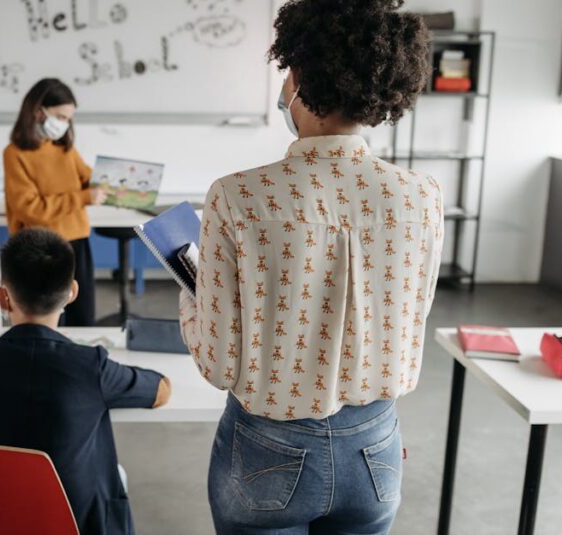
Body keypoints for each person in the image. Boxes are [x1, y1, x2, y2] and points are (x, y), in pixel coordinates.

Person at [178, 1, 441, 533]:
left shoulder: (237, 197)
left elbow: (218, 363)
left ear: (296, 77)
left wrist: (193, 295)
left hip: (268, 446)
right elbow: (411, 319)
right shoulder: (420, 196)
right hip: (375, 446)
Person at [0, 228, 171, 535]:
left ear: (3, 296)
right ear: (72, 292)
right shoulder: (90, 365)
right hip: (76, 523)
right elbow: (161, 391)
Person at [4, 78, 107, 326]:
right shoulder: (15, 154)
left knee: (83, 316)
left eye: (68, 119)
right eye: (60, 117)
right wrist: (84, 197)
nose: (64, 124)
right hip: (41, 248)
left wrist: (110, 180)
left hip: (77, 242)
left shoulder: (65, 150)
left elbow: (88, 177)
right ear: (39, 111)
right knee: (42, 319)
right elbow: (30, 209)